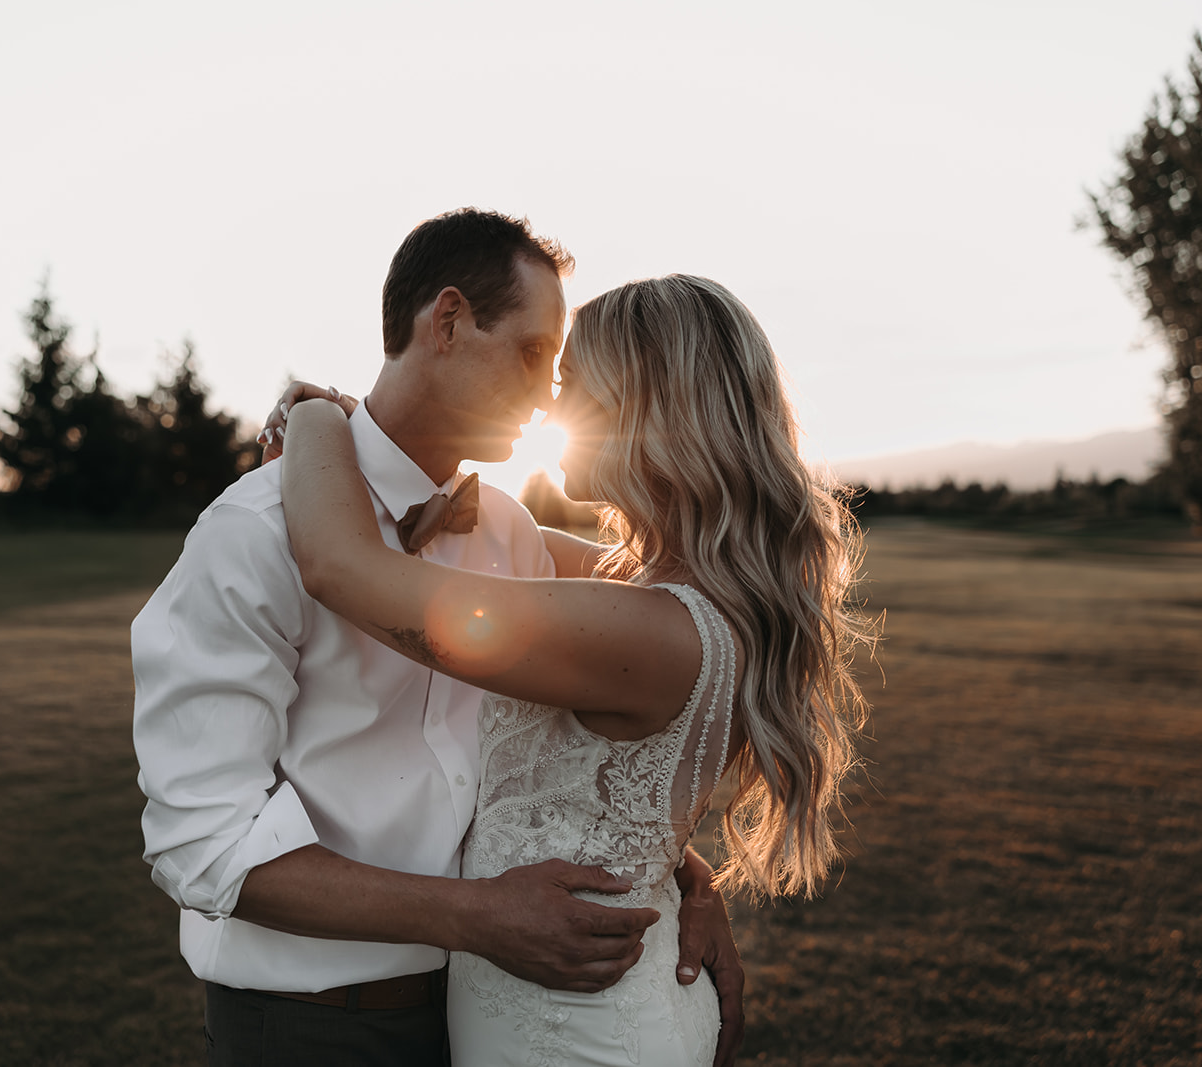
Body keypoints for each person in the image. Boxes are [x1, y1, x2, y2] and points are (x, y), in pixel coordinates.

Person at [131, 210, 745, 1067]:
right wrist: (477, 915)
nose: (547, 396)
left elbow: (599, 753)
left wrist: (679, 876)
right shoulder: (252, 534)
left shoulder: (512, 534)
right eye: (533, 354)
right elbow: (206, 844)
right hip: (308, 1025)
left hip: (491, 1013)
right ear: (447, 322)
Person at [272, 273, 872, 1066]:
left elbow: (342, 565)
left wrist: (315, 415)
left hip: (576, 1034)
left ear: (648, 409)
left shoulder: (644, 628)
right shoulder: (677, 594)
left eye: (574, 386)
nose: (551, 411)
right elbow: (492, 532)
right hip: (600, 998)